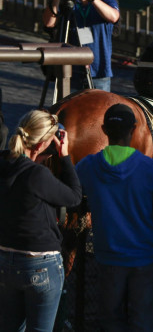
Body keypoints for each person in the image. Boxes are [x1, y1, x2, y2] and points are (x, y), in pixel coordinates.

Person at [75, 104, 153, 332]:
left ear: (104, 130)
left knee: (110, 318)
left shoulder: (88, 166)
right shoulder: (149, 168)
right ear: (134, 129)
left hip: (109, 256)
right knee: (143, 319)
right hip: (145, 256)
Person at [0, 110, 82, 332]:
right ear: (43, 144)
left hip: (5, 260)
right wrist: (64, 157)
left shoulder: (4, 165)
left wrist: (39, 153)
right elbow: (74, 197)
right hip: (40, 264)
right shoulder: (37, 175)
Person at [43, 0, 120, 91]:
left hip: (99, 71)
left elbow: (114, 17)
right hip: (70, 70)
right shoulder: (67, 2)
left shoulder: (106, 0)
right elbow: (49, 23)